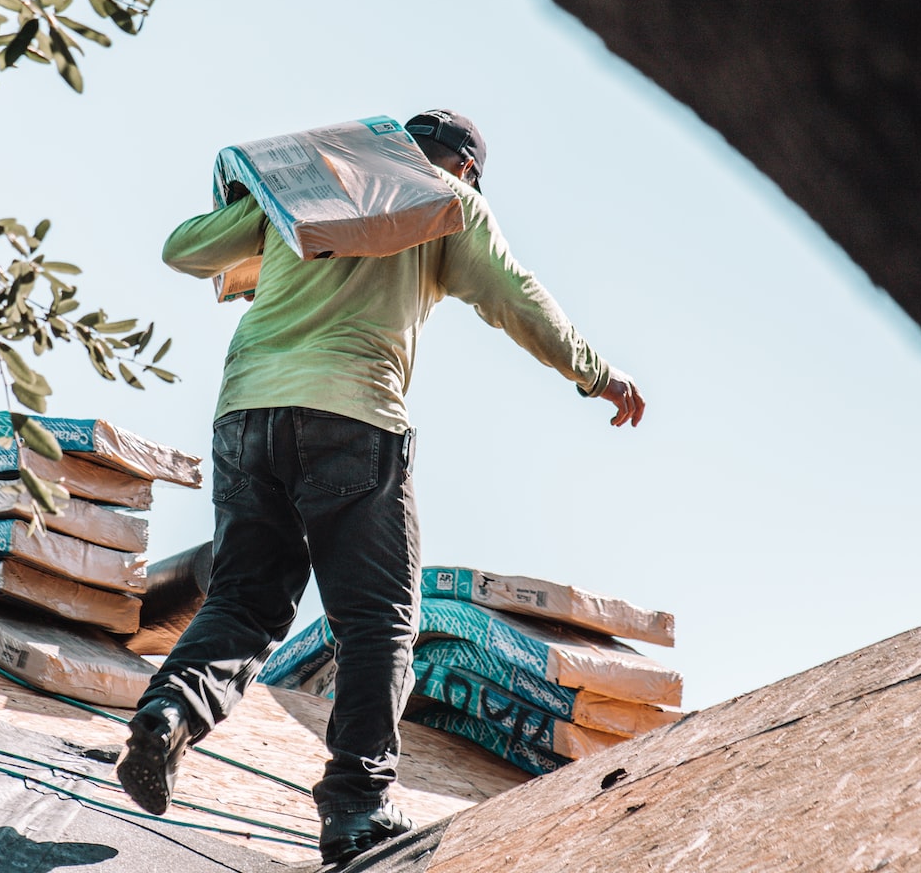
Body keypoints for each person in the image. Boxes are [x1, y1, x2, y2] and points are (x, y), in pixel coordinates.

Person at [117, 110, 645, 864]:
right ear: (464, 169)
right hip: (353, 419)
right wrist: (598, 374)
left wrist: (257, 204)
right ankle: (357, 806)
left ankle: (170, 712)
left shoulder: (312, 189)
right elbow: (515, 297)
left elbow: (183, 250)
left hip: (246, 417)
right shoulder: (451, 205)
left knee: (244, 599)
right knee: (380, 620)